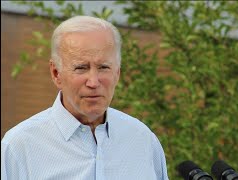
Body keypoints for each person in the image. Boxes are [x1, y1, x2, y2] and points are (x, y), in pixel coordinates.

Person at [1, 15, 169, 180]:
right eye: (81, 68)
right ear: (56, 73)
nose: (93, 82)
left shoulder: (143, 140)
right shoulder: (18, 148)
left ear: (117, 73)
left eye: (103, 67)